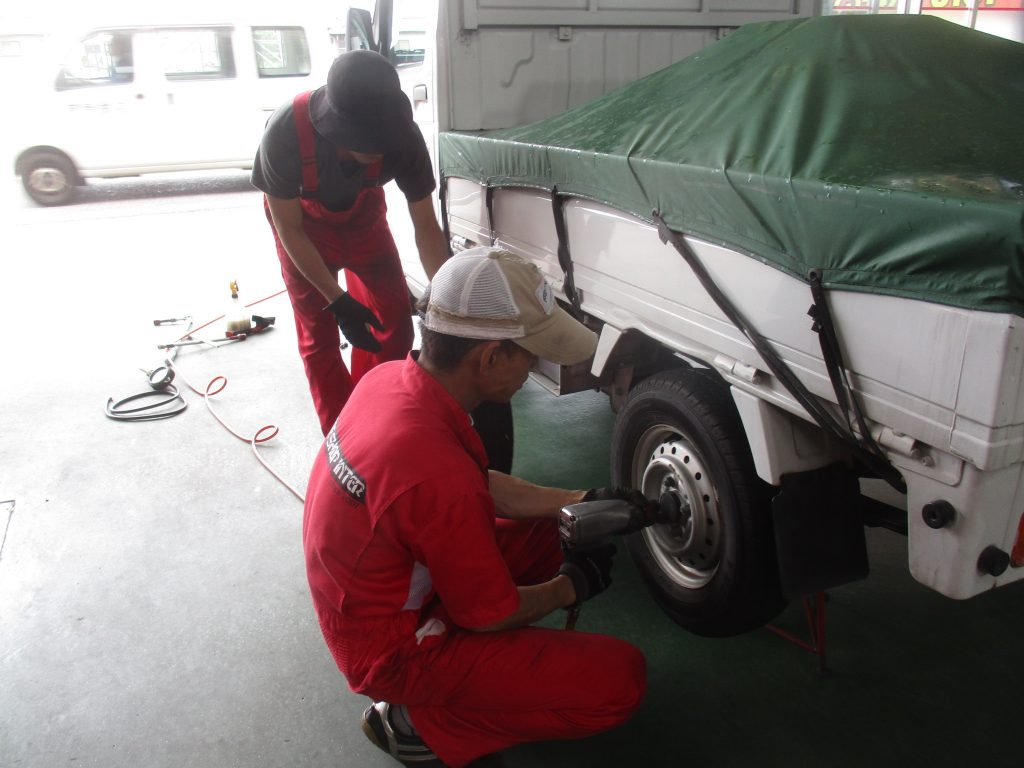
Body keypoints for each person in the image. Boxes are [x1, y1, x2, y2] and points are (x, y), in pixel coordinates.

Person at [303, 247, 647, 767]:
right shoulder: (432, 471)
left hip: (377, 592)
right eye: (528, 354)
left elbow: (477, 485)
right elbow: (491, 616)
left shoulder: (392, 382)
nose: (533, 366)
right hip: (390, 649)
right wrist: (570, 585)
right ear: (489, 358)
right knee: (620, 681)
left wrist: (581, 501)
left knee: (556, 531)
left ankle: (459, 675)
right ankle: (417, 721)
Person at [251, 50, 449, 435]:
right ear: (337, 124)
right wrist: (337, 300)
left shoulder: (403, 140)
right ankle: (342, 439)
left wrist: (447, 296)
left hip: (364, 225)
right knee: (318, 339)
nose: (378, 148)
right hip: (304, 233)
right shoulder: (285, 132)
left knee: (393, 324)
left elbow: (426, 226)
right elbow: (289, 228)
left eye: (383, 138)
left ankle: (377, 420)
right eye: (367, 139)